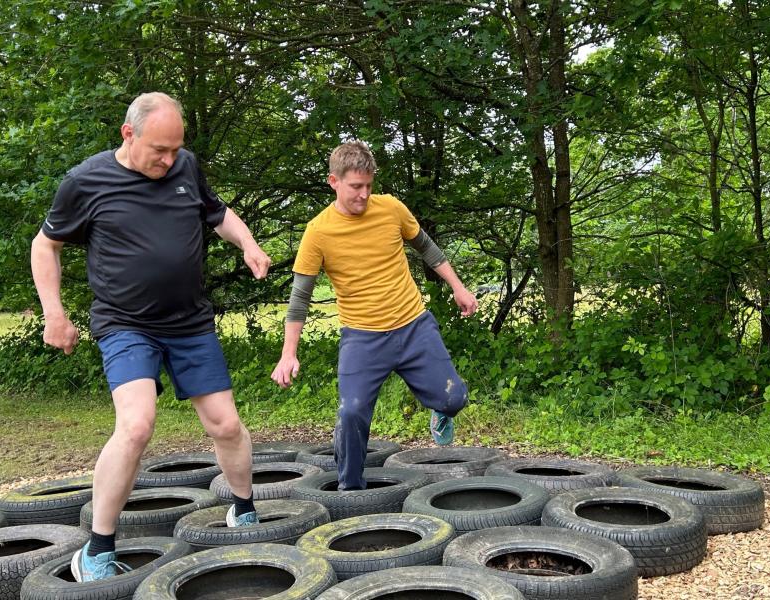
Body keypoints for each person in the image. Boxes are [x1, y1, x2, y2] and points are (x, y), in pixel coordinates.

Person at [31, 92, 270, 582]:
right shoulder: (86, 181)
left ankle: (244, 509)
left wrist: (248, 243)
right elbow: (45, 243)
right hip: (126, 323)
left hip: (189, 323)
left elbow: (217, 213)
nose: (169, 159)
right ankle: (97, 548)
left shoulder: (185, 166)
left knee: (225, 425)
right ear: (128, 134)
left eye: (175, 149)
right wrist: (54, 313)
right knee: (137, 424)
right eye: (159, 149)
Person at [271, 140, 478, 491]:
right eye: (355, 186)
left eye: (369, 186)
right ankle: (350, 491)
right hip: (363, 337)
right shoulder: (318, 231)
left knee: (454, 398)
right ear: (333, 182)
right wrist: (288, 352)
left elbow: (428, 249)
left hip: (413, 325)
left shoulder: (391, 209)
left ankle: (439, 410)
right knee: (351, 413)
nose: (364, 194)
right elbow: (300, 298)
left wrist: (459, 287)